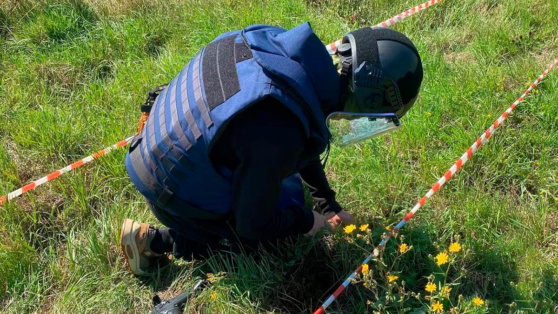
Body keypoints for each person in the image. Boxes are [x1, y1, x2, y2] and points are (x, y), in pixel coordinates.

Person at [119, 23, 423, 275]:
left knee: (283, 188)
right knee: (263, 237)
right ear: (366, 101)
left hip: (163, 136)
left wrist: (327, 203)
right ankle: (155, 240)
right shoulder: (278, 131)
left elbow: (299, 130)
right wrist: (307, 221)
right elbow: (252, 222)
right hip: (166, 183)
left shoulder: (280, 49)